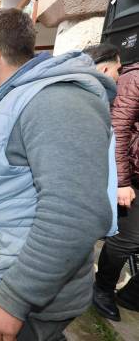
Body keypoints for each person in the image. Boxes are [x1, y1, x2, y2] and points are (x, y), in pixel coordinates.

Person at [0, 8, 116, 340]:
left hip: (4, 297)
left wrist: (14, 298)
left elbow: (75, 215)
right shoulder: (2, 101)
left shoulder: (56, 102)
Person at [87, 46, 139, 320]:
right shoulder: (134, 80)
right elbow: (118, 128)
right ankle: (103, 289)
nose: (118, 76)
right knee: (127, 238)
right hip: (132, 177)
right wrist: (122, 181)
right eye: (117, 70)